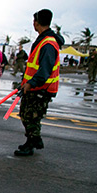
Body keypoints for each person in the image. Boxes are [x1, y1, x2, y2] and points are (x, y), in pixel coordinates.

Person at [14, 9, 61, 156]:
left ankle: (34, 142)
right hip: (35, 86)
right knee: (26, 114)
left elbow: (44, 70)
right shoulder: (43, 40)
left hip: (41, 88)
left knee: (31, 116)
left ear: (36, 22)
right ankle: (32, 141)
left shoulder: (48, 43)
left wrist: (31, 83)